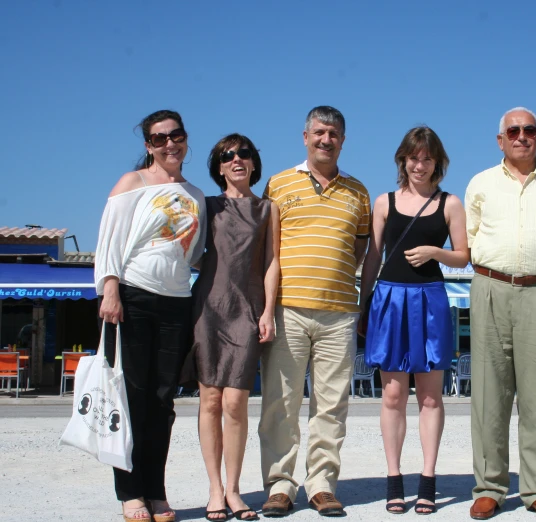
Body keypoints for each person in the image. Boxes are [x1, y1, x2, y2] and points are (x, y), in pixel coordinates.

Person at [465, 107, 536, 520]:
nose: (521, 136)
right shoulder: (479, 183)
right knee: (489, 396)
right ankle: (490, 488)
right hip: (490, 288)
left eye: (529, 130)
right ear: (500, 140)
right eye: (513, 130)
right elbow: (472, 241)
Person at [258, 106, 371, 518]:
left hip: (339, 313)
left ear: (343, 140)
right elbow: (268, 249)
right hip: (288, 309)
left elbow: (359, 249)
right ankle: (280, 485)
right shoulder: (278, 184)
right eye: (319, 132)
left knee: (331, 405)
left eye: (334, 134)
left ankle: (322, 483)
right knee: (280, 402)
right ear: (304, 136)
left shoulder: (358, 192)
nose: (326, 140)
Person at [95, 110, 206, 522]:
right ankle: (130, 492)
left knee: (163, 401)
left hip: (177, 301)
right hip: (133, 298)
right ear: (148, 146)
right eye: (159, 139)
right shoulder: (132, 184)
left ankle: (156, 492)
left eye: (175, 135)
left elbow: (195, 253)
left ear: (185, 138)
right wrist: (110, 289)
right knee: (131, 398)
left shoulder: (195, 194)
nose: (169, 144)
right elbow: (109, 240)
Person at [359, 127, 469, 515]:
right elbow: (372, 257)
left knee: (429, 396)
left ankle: (428, 479)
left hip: (430, 300)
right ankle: (394, 480)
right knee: (391, 395)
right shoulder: (384, 202)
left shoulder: (450, 203)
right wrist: (364, 305)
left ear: (437, 162)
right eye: (413, 157)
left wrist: (435, 251)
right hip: (388, 298)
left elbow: (463, 257)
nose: (419, 165)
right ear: (402, 160)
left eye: (427, 158)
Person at [185, 134, 280, 521]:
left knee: (236, 401)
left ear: (254, 163)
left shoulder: (267, 208)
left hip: (247, 308)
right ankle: (214, 489)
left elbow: (272, 261)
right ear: (219, 167)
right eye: (228, 156)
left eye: (243, 154)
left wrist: (268, 310)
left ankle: (236, 490)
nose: (236, 159)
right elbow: (189, 255)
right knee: (209, 400)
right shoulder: (206, 206)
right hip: (208, 307)